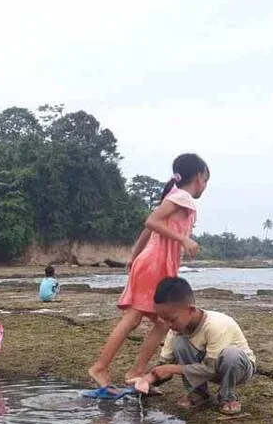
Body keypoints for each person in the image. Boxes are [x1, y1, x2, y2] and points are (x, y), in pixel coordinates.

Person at [87, 153, 208, 393]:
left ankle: (136, 372)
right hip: (154, 264)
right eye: (205, 180)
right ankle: (100, 367)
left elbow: (149, 227)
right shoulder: (183, 197)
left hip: (154, 263)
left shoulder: (174, 197)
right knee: (134, 319)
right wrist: (184, 239)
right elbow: (152, 221)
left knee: (162, 322)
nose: (205, 186)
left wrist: (134, 256)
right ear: (198, 177)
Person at [131, 276, 255, 417]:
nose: (168, 325)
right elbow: (164, 366)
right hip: (206, 365)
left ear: (190, 310)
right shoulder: (176, 330)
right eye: (163, 320)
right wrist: (148, 380)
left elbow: (211, 368)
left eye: (171, 319)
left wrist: (172, 368)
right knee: (180, 342)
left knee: (231, 355)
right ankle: (199, 393)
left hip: (237, 368)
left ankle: (227, 396)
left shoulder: (217, 325)